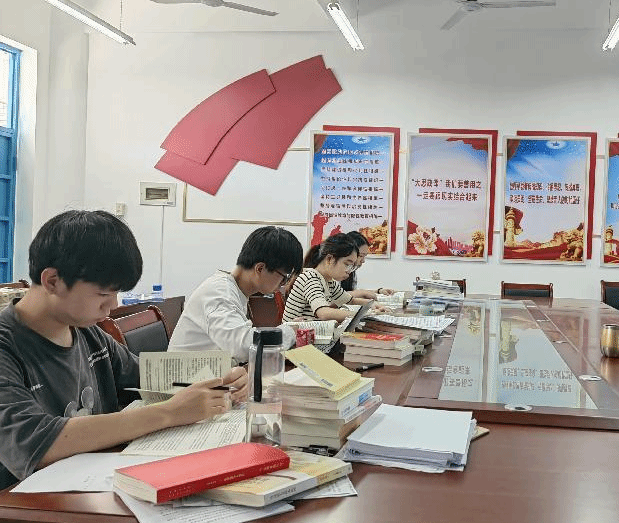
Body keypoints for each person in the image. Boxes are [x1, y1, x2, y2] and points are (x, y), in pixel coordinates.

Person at [0, 210, 248, 491]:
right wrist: (170, 413)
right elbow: (35, 442)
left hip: (91, 488)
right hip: (25, 505)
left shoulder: (86, 332)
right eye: (104, 294)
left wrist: (222, 377)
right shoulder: (7, 346)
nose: (113, 306)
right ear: (53, 281)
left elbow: (146, 376)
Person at [169, 226, 304, 364]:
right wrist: (289, 332)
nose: (284, 285)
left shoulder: (233, 289)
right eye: (284, 278)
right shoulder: (220, 293)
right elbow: (243, 347)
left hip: (211, 371)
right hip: (188, 375)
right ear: (260, 268)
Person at [282, 233, 373, 323]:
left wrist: (372, 305)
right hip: (293, 331)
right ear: (330, 259)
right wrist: (362, 315)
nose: (349, 271)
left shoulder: (329, 281)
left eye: (352, 266)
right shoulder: (310, 278)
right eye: (347, 264)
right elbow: (323, 313)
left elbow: (350, 301)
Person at [338, 231, 395, 298]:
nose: (363, 261)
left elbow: (350, 292)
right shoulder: (336, 271)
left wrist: (378, 291)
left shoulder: (349, 271)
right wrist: (362, 294)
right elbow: (334, 297)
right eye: (361, 256)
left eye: (364, 256)